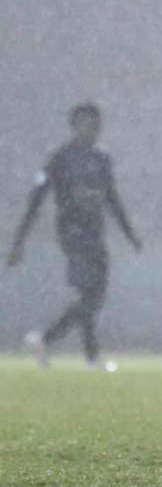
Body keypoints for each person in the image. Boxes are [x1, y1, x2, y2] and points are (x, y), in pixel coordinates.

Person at [5, 103, 142, 368]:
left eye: (94, 124)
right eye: (84, 123)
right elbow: (36, 200)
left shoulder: (102, 159)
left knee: (92, 296)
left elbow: (112, 199)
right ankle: (71, 348)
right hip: (73, 234)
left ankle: (66, 348)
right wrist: (18, 242)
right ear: (74, 126)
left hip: (95, 233)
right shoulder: (61, 158)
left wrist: (130, 234)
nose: (90, 129)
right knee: (90, 294)